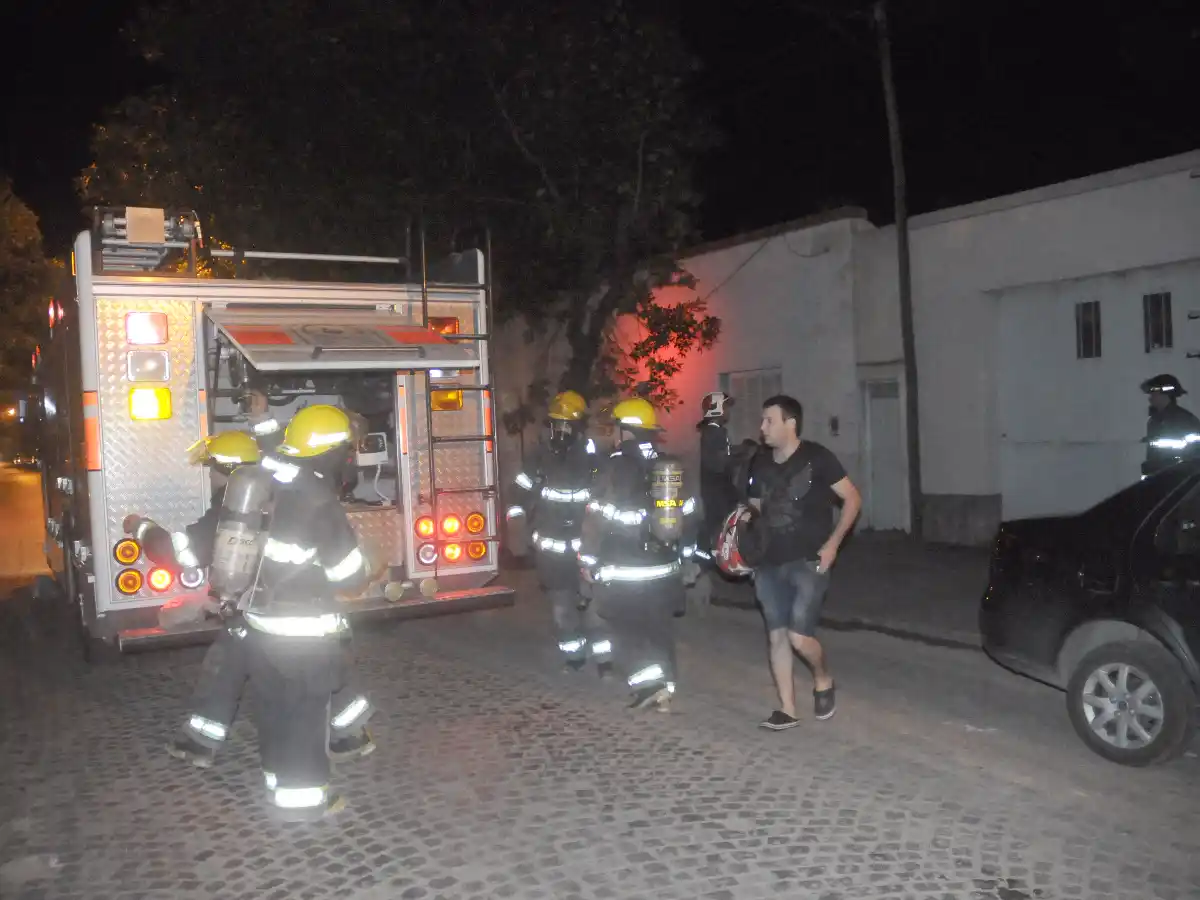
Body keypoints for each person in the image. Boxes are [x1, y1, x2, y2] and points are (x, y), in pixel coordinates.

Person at [148, 429, 375, 772]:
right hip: (297, 615)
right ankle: (349, 735)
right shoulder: (286, 495)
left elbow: (182, 552)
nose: (209, 476)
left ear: (225, 468)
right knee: (320, 672)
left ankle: (200, 742)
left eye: (211, 468)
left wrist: (142, 530)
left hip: (262, 616)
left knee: (230, 669)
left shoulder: (234, 505)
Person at [745, 394, 861, 732]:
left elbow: (852, 499)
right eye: (763, 420)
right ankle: (787, 708)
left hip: (809, 560)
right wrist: (742, 546)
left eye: (769, 420)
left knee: (799, 637)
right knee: (777, 635)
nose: (762, 427)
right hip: (767, 562)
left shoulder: (818, 457)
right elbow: (753, 508)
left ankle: (823, 678)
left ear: (790, 423)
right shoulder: (759, 462)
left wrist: (834, 544)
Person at [577, 397, 698, 710]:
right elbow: (691, 514)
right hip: (665, 565)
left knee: (624, 626)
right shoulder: (669, 466)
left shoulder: (614, 468)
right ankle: (666, 686)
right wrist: (687, 558)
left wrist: (588, 560)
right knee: (659, 628)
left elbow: (597, 517)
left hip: (626, 566)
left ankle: (650, 686)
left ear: (625, 430)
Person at [506, 390, 600, 672]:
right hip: (552, 551)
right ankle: (575, 658)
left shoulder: (592, 458)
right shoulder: (538, 457)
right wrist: (517, 534)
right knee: (562, 609)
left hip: (588, 549)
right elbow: (518, 495)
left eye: (567, 424)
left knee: (595, 607)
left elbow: (606, 498)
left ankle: (604, 658)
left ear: (578, 426)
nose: (562, 430)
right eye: (557, 424)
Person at [696, 391, 738, 558]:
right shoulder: (714, 432)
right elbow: (718, 464)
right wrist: (738, 457)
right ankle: (714, 559)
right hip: (716, 491)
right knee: (717, 526)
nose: (728, 412)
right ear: (716, 409)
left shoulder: (715, 431)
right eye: (726, 407)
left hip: (717, 490)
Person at [1141, 374, 1200, 477]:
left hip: (1179, 483)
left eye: (1153, 393)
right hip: (1159, 482)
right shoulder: (1154, 421)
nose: (1150, 398)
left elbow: (1195, 458)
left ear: (1165, 394)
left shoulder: (1185, 420)